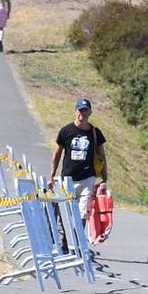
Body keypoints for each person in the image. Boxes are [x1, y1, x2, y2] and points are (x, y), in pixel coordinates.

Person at [50, 97, 108, 246]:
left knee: (83, 212)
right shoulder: (66, 131)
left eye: (86, 110)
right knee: (66, 211)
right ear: (75, 111)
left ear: (90, 112)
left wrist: (104, 178)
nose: (83, 113)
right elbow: (56, 155)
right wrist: (51, 176)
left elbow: (102, 156)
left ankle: (75, 240)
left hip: (87, 178)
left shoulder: (95, 133)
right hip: (68, 178)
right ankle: (65, 238)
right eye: (80, 110)